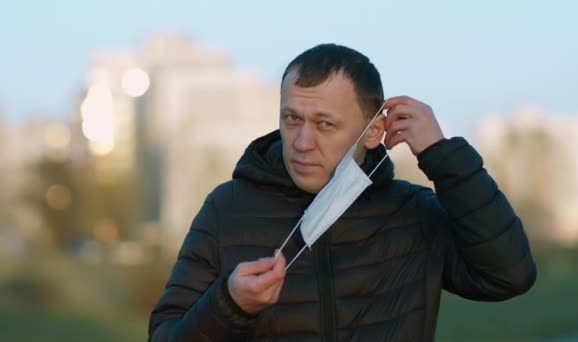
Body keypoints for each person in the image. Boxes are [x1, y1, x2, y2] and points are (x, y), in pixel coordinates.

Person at [148, 43, 536, 341]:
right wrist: (229, 305)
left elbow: (509, 276)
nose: (301, 142)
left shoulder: (412, 212)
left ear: (371, 132)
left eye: (325, 124)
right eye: (292, 118)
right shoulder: (227, 209)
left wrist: (442, 157)